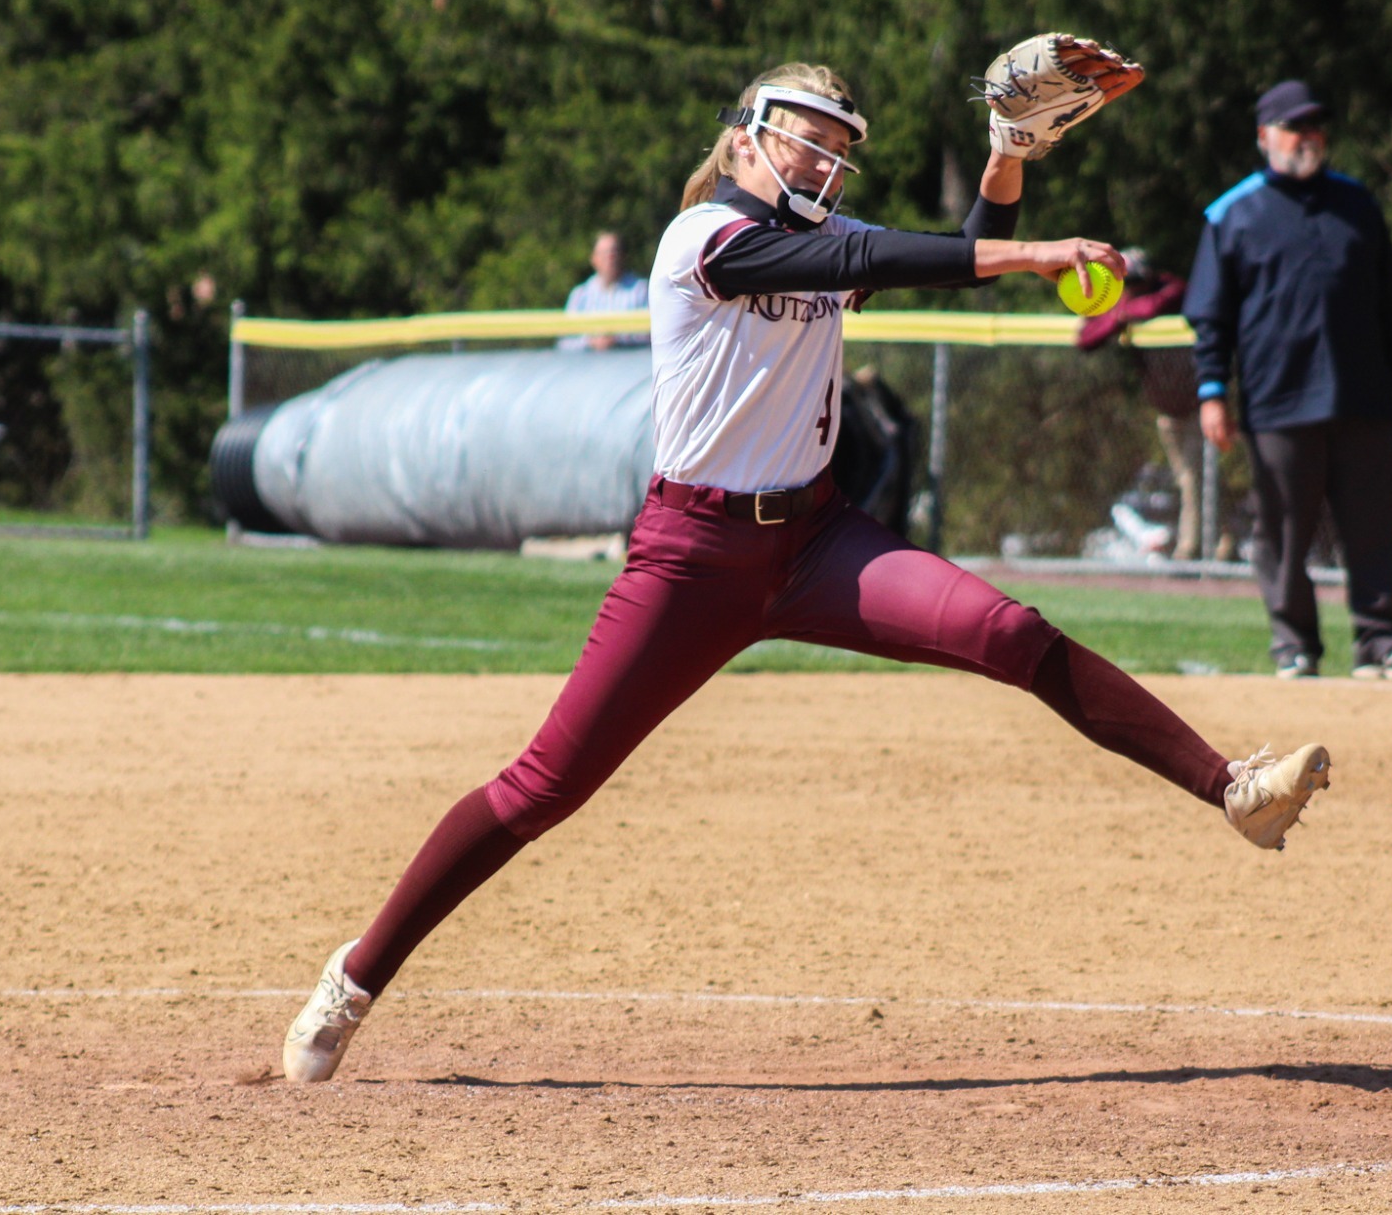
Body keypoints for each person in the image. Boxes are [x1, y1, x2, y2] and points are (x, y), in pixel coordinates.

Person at [279, 59, 1334, 1083]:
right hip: (690, 559)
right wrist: (1037, 255)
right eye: (807, 135)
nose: (824, 158)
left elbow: (957, 247)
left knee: (1010, 632)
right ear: (745, 138)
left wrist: (1006, 158)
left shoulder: (820, 234)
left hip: (819, 543)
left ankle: (1231, 787)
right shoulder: (707, 236)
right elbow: (869, 266)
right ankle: (354, 978)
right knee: (542, 787)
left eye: (837, 145)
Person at [1183, 79, 1392, 682]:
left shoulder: (1356, 203)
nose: (1309, 138)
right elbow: (1210, 315)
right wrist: (1212, 390)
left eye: (1315, 127)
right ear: (1264, 136)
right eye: (1296, 128)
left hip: (1364, 394)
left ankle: (1381, 644)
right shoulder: (1232, 213)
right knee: (1282, 532)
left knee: (1375, 529)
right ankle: (1293, 646)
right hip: (1278, 397)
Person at [1075, 248, 1222, 561]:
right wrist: (1116, 313)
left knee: (1193, 479)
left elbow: (1160, 302)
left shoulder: (1170, 289)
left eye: (1135, 280)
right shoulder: (1120, 300)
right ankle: (1222, 540)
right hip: (1167, 409)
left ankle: (1191, 550)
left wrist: (1125, 309)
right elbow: (1085, 338)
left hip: (1200, 403)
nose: (1131, 287)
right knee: (1190, 480)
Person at [557, 230, 650, 351]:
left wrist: (618, 341)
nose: (610, 258)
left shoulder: (640, 291)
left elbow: (653, 337)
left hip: (630, 366)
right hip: (587, 367)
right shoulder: (580, 295)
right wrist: (590, 342)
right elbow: (564, 343)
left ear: (623, 256)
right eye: (604, 253)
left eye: (614, 252)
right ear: (594, 258)